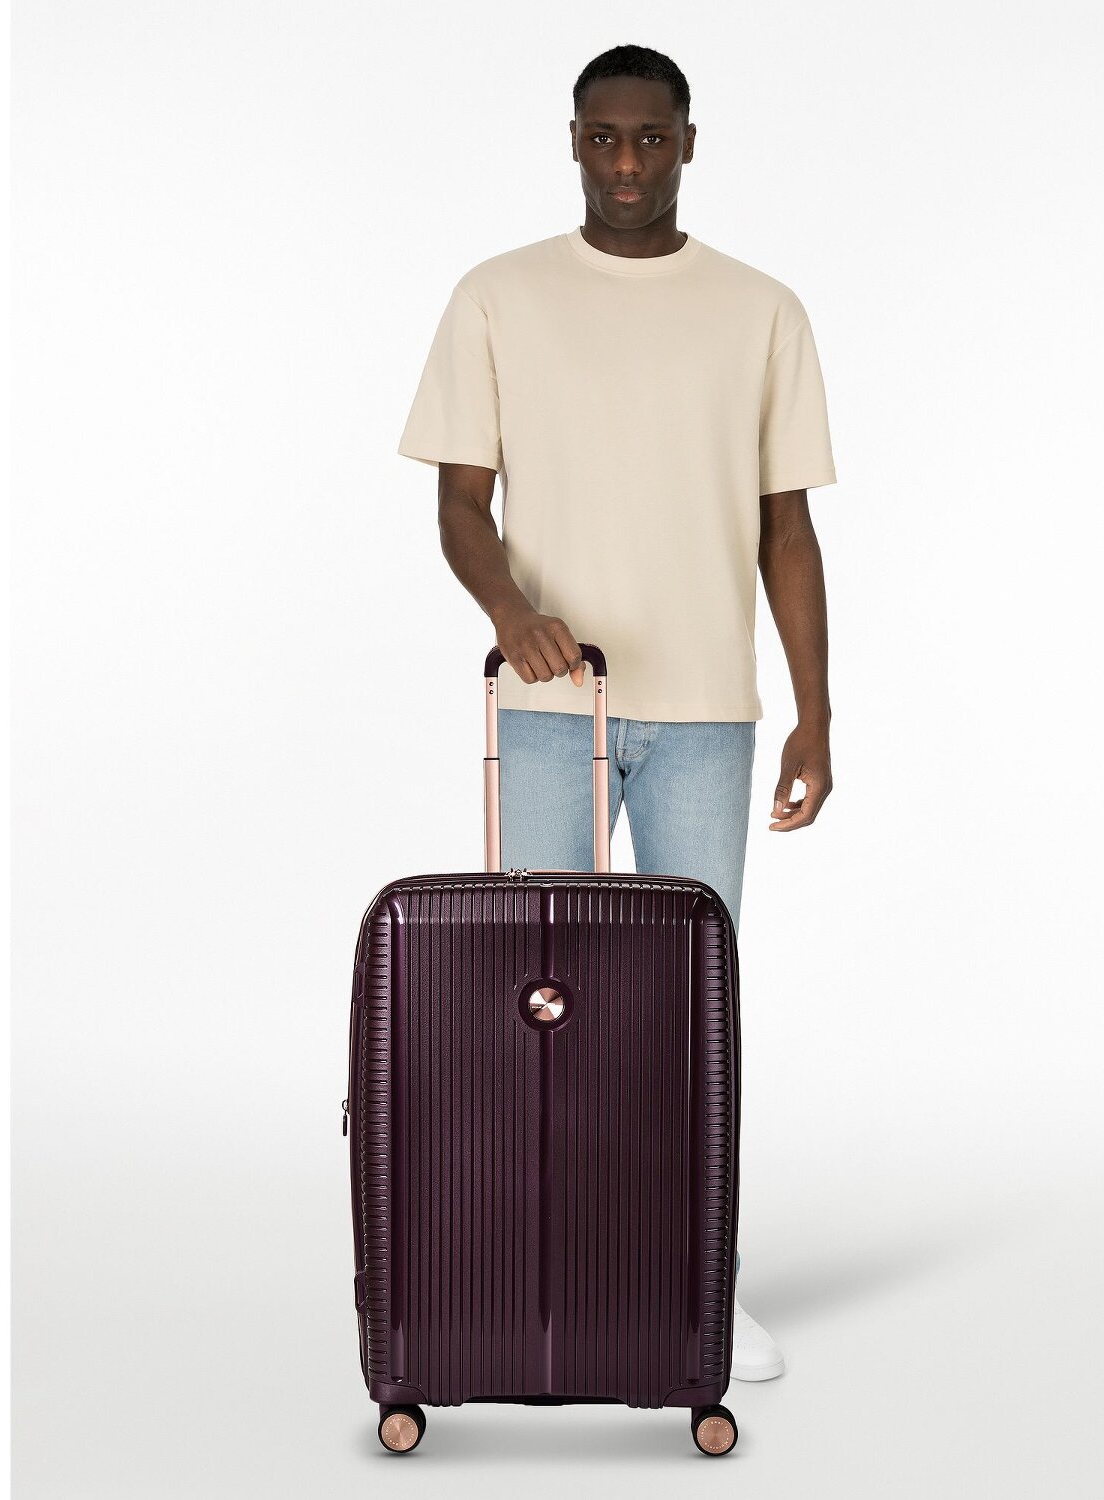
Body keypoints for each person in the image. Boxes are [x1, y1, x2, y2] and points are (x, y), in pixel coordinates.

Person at [396, 43, 837, 1383]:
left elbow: (788, 527)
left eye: (652, 138)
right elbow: (460, 505)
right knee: (538, 1002)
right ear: (573, 140)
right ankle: (542, 1278)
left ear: (689, 144)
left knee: (691, 1010)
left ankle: (697, 1291)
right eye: (605, 137)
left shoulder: (761, 310)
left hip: (706, 714)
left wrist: (815, 713)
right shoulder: (498, 295)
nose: (628, 162)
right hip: (554, 708)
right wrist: (507, 610)